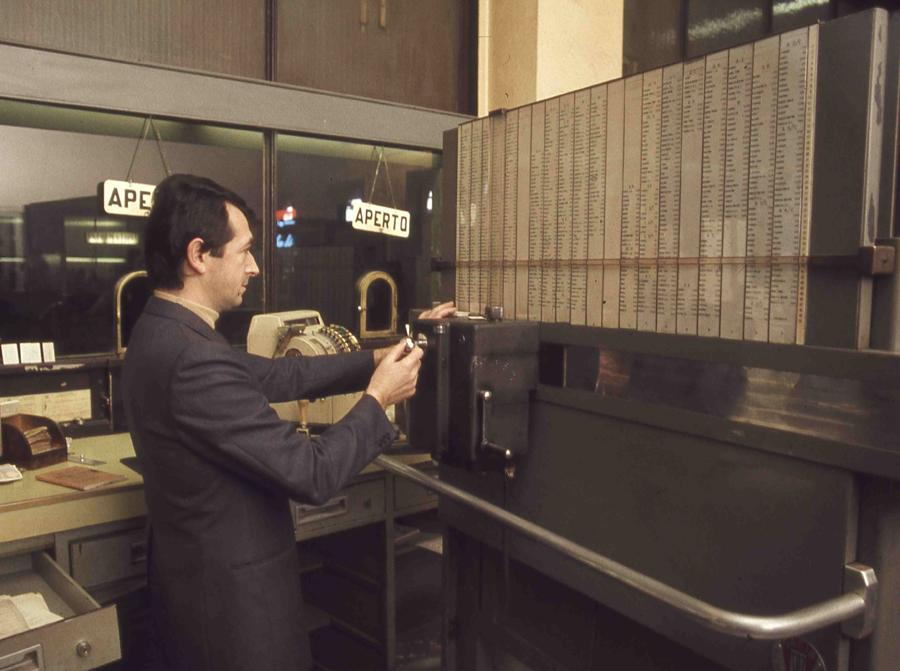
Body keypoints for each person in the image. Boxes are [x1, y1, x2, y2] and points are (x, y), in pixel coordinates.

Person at [122, 174, 454, 671]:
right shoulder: (193, 359)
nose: (255, 267)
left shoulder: (161, 331)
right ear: (198, 255)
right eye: (245, 251)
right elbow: (311, 472)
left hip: (194, 593)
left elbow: (282, 374)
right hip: (235, 616)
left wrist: (382, 355)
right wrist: (380, 396)